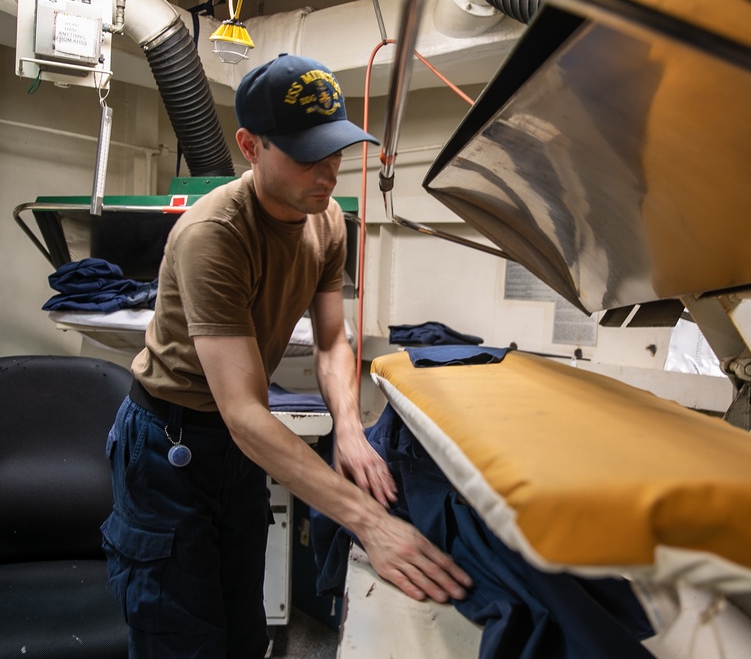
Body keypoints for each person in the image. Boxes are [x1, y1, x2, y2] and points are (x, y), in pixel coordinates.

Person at [101, 53, 472, 657]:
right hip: (169, 447)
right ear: (250, 146)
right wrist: (370, 522)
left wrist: (349, 430)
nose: (326, 174)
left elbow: (331, 341)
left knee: (243, 629)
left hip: (236, 450)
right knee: (181, 637)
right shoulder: (213, 236)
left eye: (335, 152)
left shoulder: (327, 222)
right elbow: (246, 413)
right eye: (306, 156)